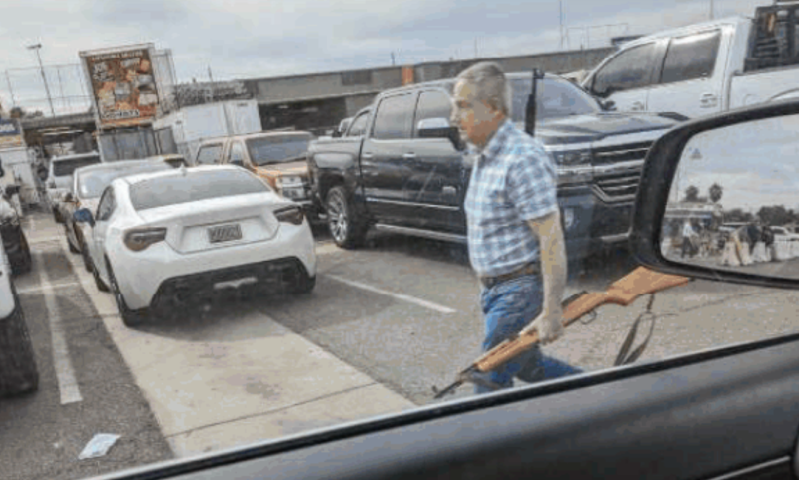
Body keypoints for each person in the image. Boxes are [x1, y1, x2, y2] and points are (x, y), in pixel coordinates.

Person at [450, 62, 581, 393]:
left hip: (518, 292)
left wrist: (551, 310)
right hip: (496, 292)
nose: (453, 117)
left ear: (494, 108)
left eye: (463, 106)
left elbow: (551, 238)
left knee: (488, 381)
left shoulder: (522, 158)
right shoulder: (484, 155)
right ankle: (603, 394)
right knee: (531, 368)